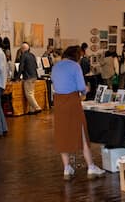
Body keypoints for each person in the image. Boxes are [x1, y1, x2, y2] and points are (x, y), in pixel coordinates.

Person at [51, 46, 103, 180]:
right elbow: (81, 87)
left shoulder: (56, 66)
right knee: (81, 132)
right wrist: (87, 89)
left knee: (62, 134)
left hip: (58, 102)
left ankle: (66, 168)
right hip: (72, 101)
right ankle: (91, 167)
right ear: (77, 56)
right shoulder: (75, 66)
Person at [14, 42, 43, 114]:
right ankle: (31, 110)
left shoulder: (23, 55)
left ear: (22, 49)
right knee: (32, 93)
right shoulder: (32, 55)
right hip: (34, 76)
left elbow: (21, 67)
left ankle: (37, 107)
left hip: (28, 77)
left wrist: (17, 78)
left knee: (29, 94)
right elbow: (36, 66)